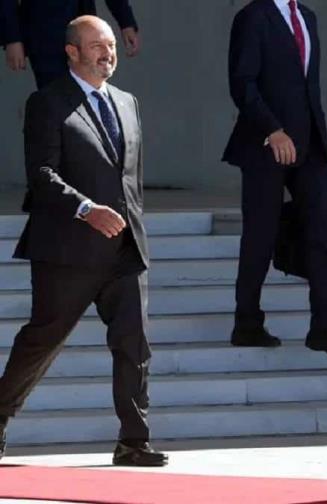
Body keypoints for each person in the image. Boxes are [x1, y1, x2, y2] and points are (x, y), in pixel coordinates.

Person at [0, 15, 166, 467]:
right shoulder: (47, 102)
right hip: (67, 250)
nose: (107, 53)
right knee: (43, 340)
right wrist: (85, 209)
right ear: (72, 51)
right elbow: (41, 175)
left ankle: (134, 441)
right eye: (96, 46)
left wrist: (132, 227)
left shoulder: (128, 103)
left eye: (110, 45)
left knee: (134, 343)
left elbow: (130, 178)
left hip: (124, 248)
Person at [223, 0, 327, 360]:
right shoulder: (253, 17)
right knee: (260, 235)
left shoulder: (308, 18)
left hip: (311, 144)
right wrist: (273, 130)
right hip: (265, 144)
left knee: (324, 234)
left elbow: (305, 85)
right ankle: (247, 323)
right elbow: (242, 82)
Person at [0, 0, 139, 88]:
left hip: (85, 29)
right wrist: (13, 38)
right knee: (55, 100)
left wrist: (125, 21)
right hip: (45, 34)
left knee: (89, 96)